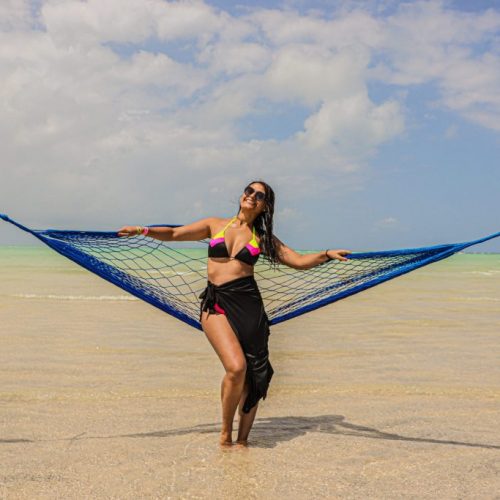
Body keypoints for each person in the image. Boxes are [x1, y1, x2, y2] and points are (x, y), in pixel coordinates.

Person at [117, 180, 351, 447]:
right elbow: (173, 233)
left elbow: (297, 261)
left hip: (249, 306)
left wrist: (326, 254)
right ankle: (225, 433)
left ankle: (242, 443)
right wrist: (142, 230)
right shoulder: (215, 225)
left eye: (259, 195)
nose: (251, 196)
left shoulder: (262, 238)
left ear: (265, 206)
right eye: (249, 191)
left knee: (254, 375)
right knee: (236, 367)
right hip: (216, 302)